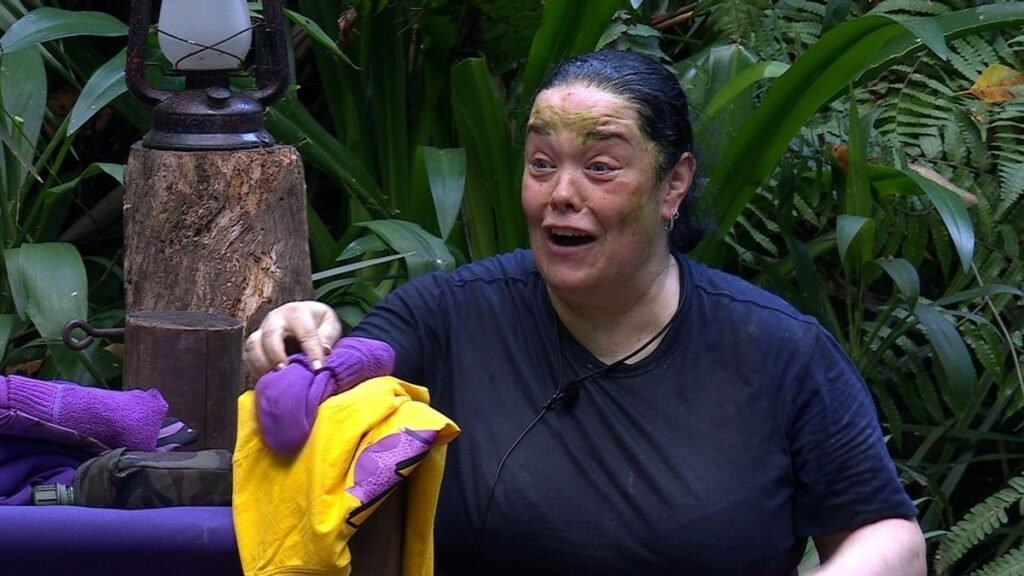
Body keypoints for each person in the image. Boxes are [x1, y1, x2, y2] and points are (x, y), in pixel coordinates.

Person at [245, 49, 925, 575]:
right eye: (542, 163)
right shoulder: (450, 315)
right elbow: (333, 381)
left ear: (674, 184)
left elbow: (889, 535)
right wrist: (297, 337)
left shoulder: (778, 349)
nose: (561, 194)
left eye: (601, 166)